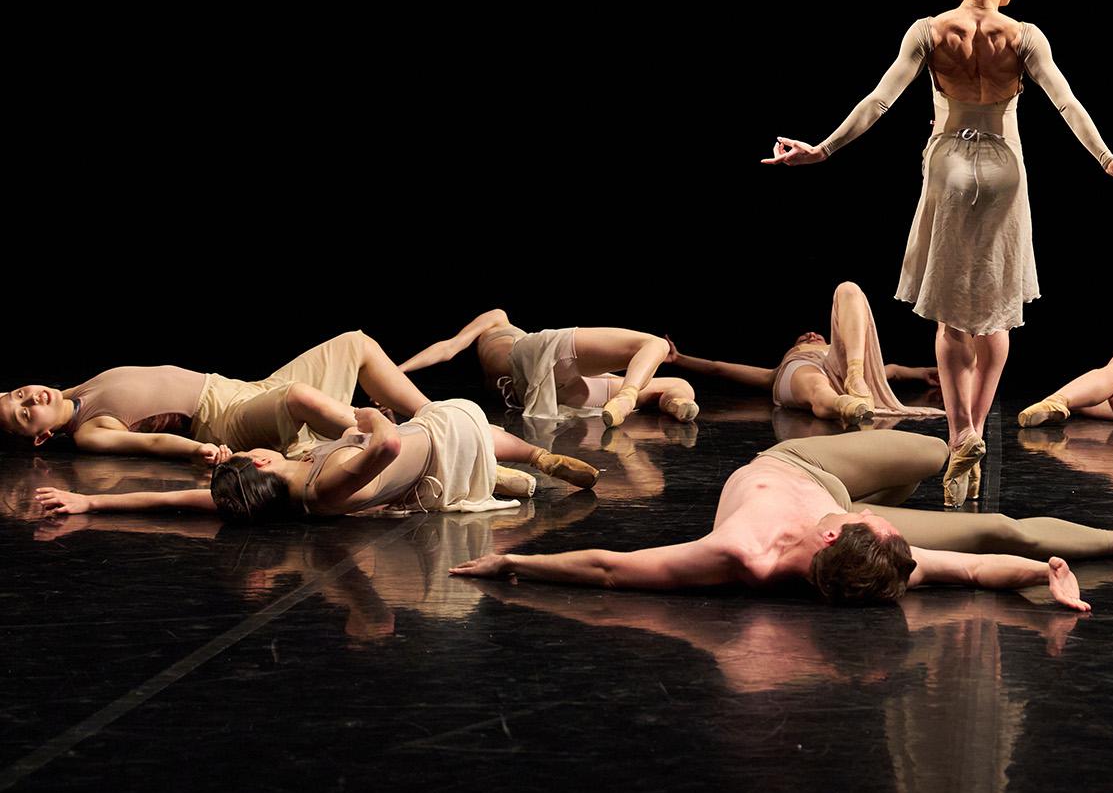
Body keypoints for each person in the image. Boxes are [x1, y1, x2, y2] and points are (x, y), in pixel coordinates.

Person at [763, 0, 1113, 503]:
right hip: (1004, 166)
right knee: (998, 313)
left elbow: (879, 100)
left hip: (950, 164)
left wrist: (822, 148)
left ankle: (960, 436)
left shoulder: (931, 32)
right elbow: (1066, 103)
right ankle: (978, 427)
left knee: (952, 318)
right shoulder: (1023, 36)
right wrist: (1110, 163)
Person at [450, 428, 1113, 608]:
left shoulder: (736, 550)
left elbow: (611, 566)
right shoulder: (746, 555)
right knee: (1001, 526)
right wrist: (1049, 573)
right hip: (823, 487)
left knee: (936, 449)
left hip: (806, 469)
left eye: (887, 533)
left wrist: (515, 562)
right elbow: (979, 569)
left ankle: (935, 463)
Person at [32, 399, 600, 521]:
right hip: (437, 442)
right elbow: (388, 446)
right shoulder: (323, 486)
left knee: (473, 449)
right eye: (256, 455)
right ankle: (540, 458)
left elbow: (176, 499)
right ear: (261, 467)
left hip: (424, 478)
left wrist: (92, 501)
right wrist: (370, 417)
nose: (258, 450)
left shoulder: (297, 487)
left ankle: (511, 477)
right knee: (467, 424)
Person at [2, 330, 439, 464]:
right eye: (24, 413)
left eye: (22, 394)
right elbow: (152, 442)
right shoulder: (88, 433)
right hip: (226, 418)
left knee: (354, 343)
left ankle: (434, 416)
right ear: (39, 438)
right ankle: (411, 448)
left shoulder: (79, 389)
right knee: (300, 397)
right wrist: (199, 451)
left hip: (242, 388)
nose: (33, 400)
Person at [668, 281, 942, 427]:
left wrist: (920, 372)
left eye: (815, 335)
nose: (811, 335)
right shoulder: (784, 366)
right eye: (804, 337)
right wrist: (681, 359)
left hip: (843, 369)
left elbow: (889, 370)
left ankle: (855, 379)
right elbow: (719, 368)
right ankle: (841, 405)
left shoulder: (833, 350)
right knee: (814, 382)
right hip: (806, 371)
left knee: (848, 288)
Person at [396, 308, 696, 426]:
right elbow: (448, 348)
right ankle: (628, 396)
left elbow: (449, 349)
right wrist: (395, 372)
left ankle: (677, 404)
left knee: (681, 386)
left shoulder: (500, 345)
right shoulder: (499, 318)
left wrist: (393, 375)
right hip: (537, 363)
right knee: (654, 344)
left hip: (546, 392)